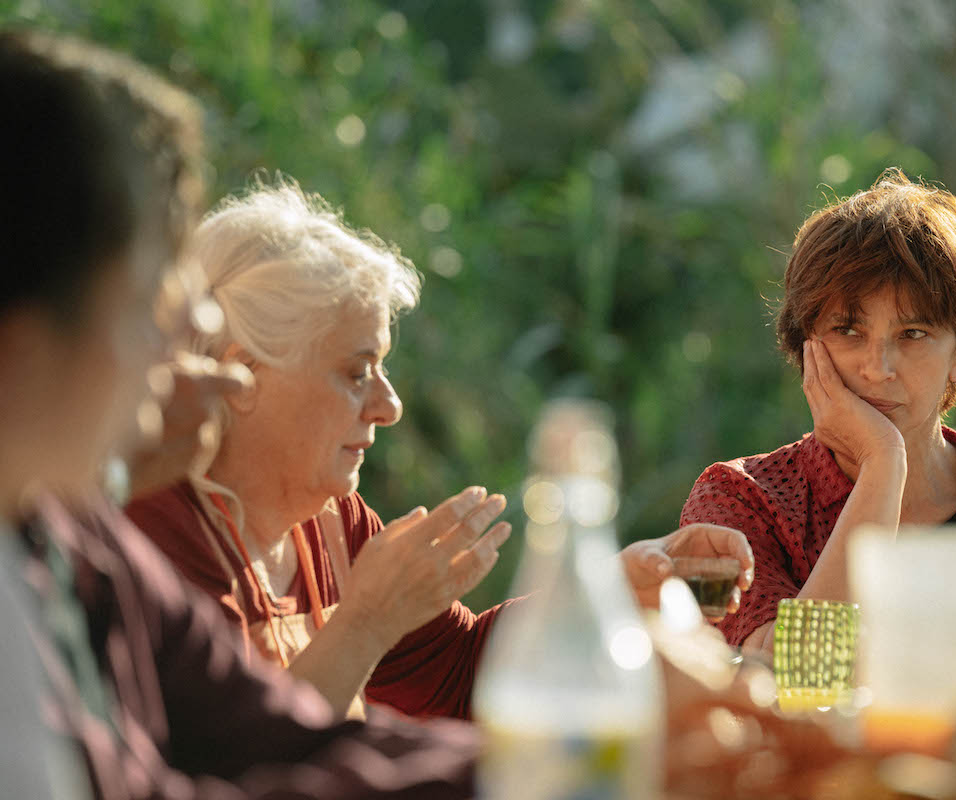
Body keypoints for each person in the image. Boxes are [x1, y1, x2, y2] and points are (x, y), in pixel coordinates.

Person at [0, 28, 480, 798]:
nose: (174, 352)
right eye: (141, 314)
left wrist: (581, 762)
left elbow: (275, 738)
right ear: (22, 347)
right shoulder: (126, 524)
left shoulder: (69, 537)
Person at [125, 180, 755, 721]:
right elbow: (230, 768)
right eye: (356, 371)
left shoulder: (334, 524)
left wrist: (607, 587)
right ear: (244, 376)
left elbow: (456, 679)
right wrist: (366, 620)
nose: (388, 406)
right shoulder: (155, 534)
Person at [680, 169, 956, 656]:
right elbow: (787, 675)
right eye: (848, 331)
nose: (878, 369)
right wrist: (883, 462)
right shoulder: (740, 500)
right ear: (805, 342)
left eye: (913, 334)